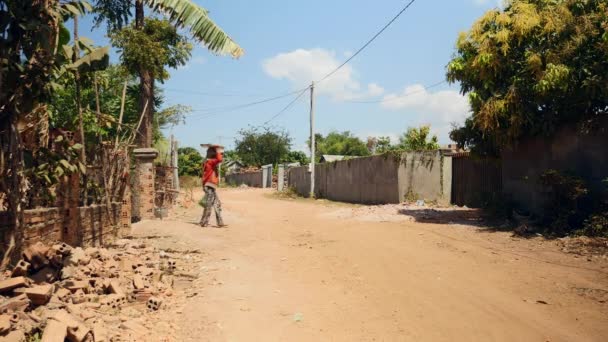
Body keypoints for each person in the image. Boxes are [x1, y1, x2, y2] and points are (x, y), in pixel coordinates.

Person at [200, 146, 226, 227]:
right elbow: (219, 159)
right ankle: (204, 222)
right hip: (209, 185)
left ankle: (220, 222)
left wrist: (219, 151)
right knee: (209, 204)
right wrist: (219, 150)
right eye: (214, 152)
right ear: (212, 154)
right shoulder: (210, 162)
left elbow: (219, 159)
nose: (216, 154)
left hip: (209, 185)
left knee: (216, 203)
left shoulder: (207, 161)